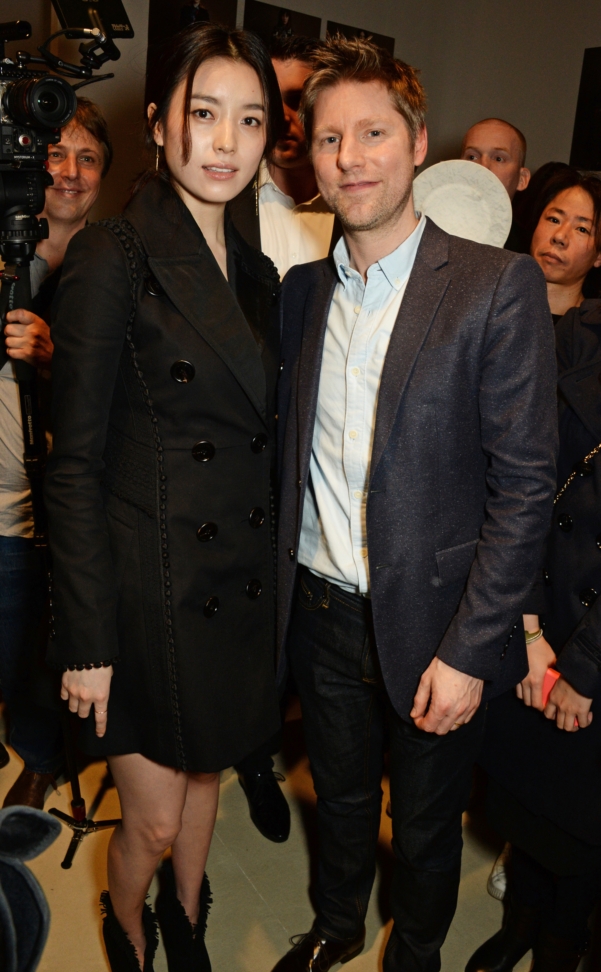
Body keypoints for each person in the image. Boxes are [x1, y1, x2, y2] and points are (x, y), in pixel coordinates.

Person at [273, 36, 557, 972]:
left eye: (372, 133)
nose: (350, 156)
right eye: (327, 138)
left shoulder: (492, 286)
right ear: (307, 158)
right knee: (341, 796)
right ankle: (336, 925)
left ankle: (418, 949)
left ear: (417, 142)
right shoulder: (302, 292)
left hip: (436, 621)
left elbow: (522, 486)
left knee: (428, 818)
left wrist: (474, 648)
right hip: (319, 607)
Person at [44, 24, 285, 972]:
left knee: (208, 780)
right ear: (159, 122)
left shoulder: (262, 276)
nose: (225, 143)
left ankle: (188, 911)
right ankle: (129, 916)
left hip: (236, 586)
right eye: (205, 114)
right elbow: (71, 466)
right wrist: (87, 641)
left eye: (251, 120)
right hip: (146, 598)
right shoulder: (113, 253)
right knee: (147, 819)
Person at [468, 169, 601, 972]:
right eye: (552, 217)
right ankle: (519, 922)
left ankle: (557, 944)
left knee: (582, 821)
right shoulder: (518, 323)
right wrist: (525, 634)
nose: (559, 235)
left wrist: (582, 666)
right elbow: (512, 495)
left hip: (589, 640)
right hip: (533, 613)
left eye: (580, 226)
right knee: (523, 794)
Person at [229, 32, 338, 846]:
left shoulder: (358, 213)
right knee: (240, 631)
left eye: (309, 101)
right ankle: (247, 753)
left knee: (301, 644)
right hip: (239, 470)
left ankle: (274, 745)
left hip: (324, 476)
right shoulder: (231, 206)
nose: (295, 119)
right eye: (285, 101)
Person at [0, 97, 112, 810]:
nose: (69, 172)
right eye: (55, 153)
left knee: (42, 645)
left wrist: (53, 361)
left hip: (64, 504)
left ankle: (42, 756)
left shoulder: (112, 264)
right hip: (2, 493)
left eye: (88, 157)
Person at [228, 35, 338, 280]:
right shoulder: (225, 195)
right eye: (270, 101)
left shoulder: (353, 201)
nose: (281, 116)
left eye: (296, 101)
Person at [460, 117, 531, 251]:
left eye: (499, 159)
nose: (483, 167)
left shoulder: (530, 250)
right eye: (472, 157)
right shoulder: (425, 228)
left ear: (522, 179)